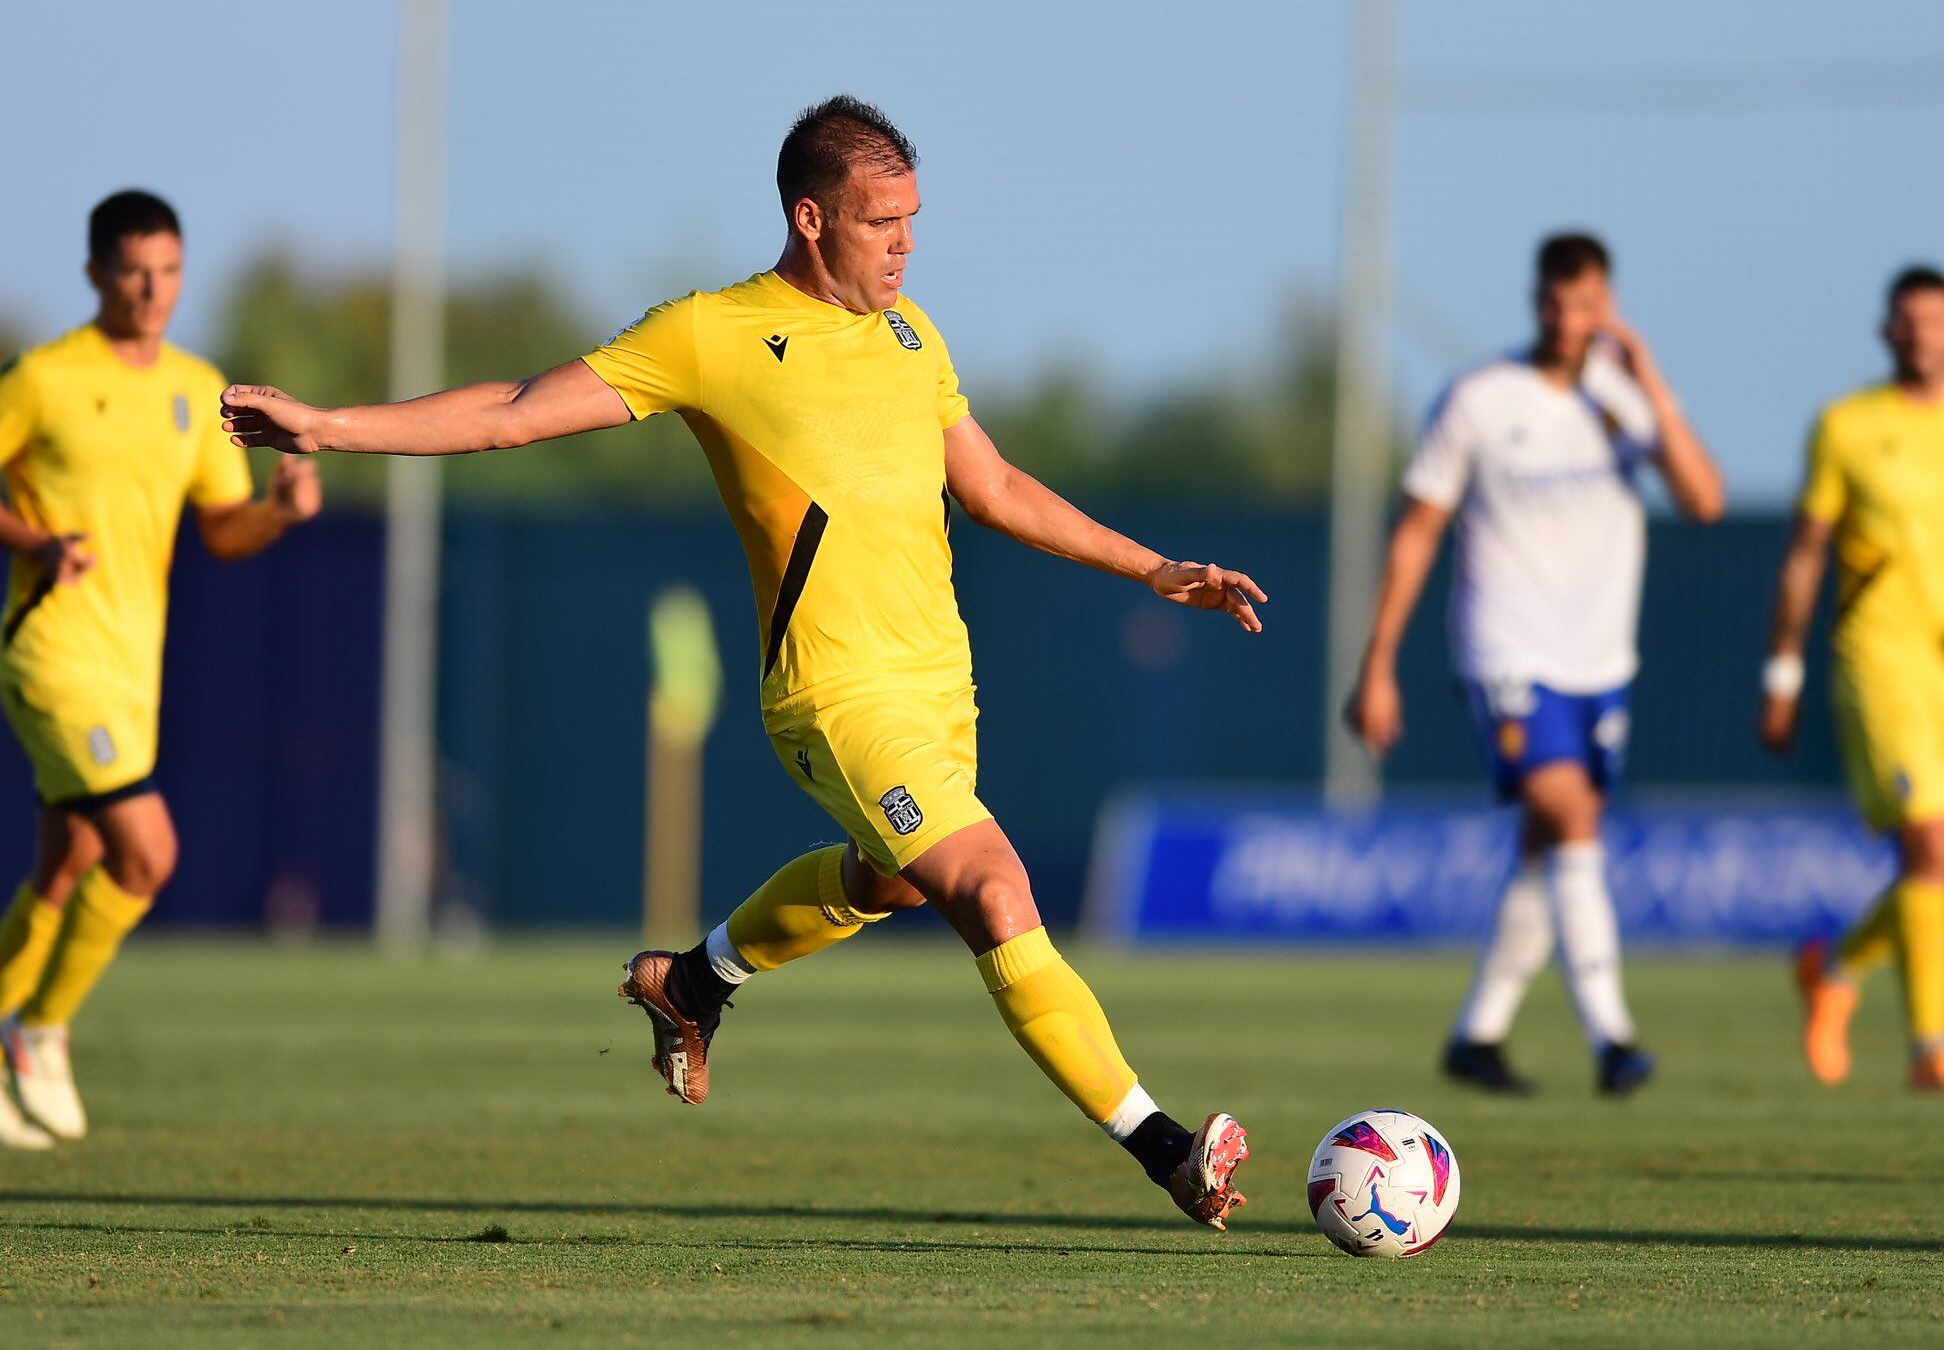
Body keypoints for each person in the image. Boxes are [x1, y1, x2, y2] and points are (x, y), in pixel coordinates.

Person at [219, 97, 1263, 1227]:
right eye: (880, 223)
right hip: (834, 692)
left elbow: (994, 485)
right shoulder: (712, 334)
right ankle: (1167, 1150)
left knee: (891, 881)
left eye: (913, 218)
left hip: (938, 689)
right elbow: (515, 411)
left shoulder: (914, 337)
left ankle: (692, 982)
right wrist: (328, 426)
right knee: (994, 891)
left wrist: (1152, 566)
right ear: (810, 219)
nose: (905, 243)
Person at [1347, 232, 1723, 1096]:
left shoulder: (1626, 404)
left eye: (1584, 306)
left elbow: (1705, 502)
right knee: (1573, 813)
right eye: (1553, 305)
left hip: (1601, 662)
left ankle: (1477, 1035)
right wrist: (1378, 664)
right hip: (1507, 651)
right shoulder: (1480, 398)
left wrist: (1652, 386)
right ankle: (1614, 1039)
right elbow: (1415, 533)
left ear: (1607, 307)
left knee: (1543, 841)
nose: (1566, 321)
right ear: (1535, 302)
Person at [0, 190, 322, 1149]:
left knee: (70, 864)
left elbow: (222, 532)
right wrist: (35, 540)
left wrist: (281, 512)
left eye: (169, 270)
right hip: (50, 651)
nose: (153, 289)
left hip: (130, 672)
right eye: (135, 270)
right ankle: (39, 1033)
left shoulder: (193, 387)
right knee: (148, 852)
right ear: (97, 273)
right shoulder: (47, 378)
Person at [1765, 266, 1944, 1101]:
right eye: (1907, 322)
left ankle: (1835, 969)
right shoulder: (1849, 426)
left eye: (1936, 320)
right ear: (1887, 333)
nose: (1922, 334)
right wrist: (1782, 670)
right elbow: (1806, 551)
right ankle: (1933, 1049)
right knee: (1925, 842)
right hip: (1878, 658)